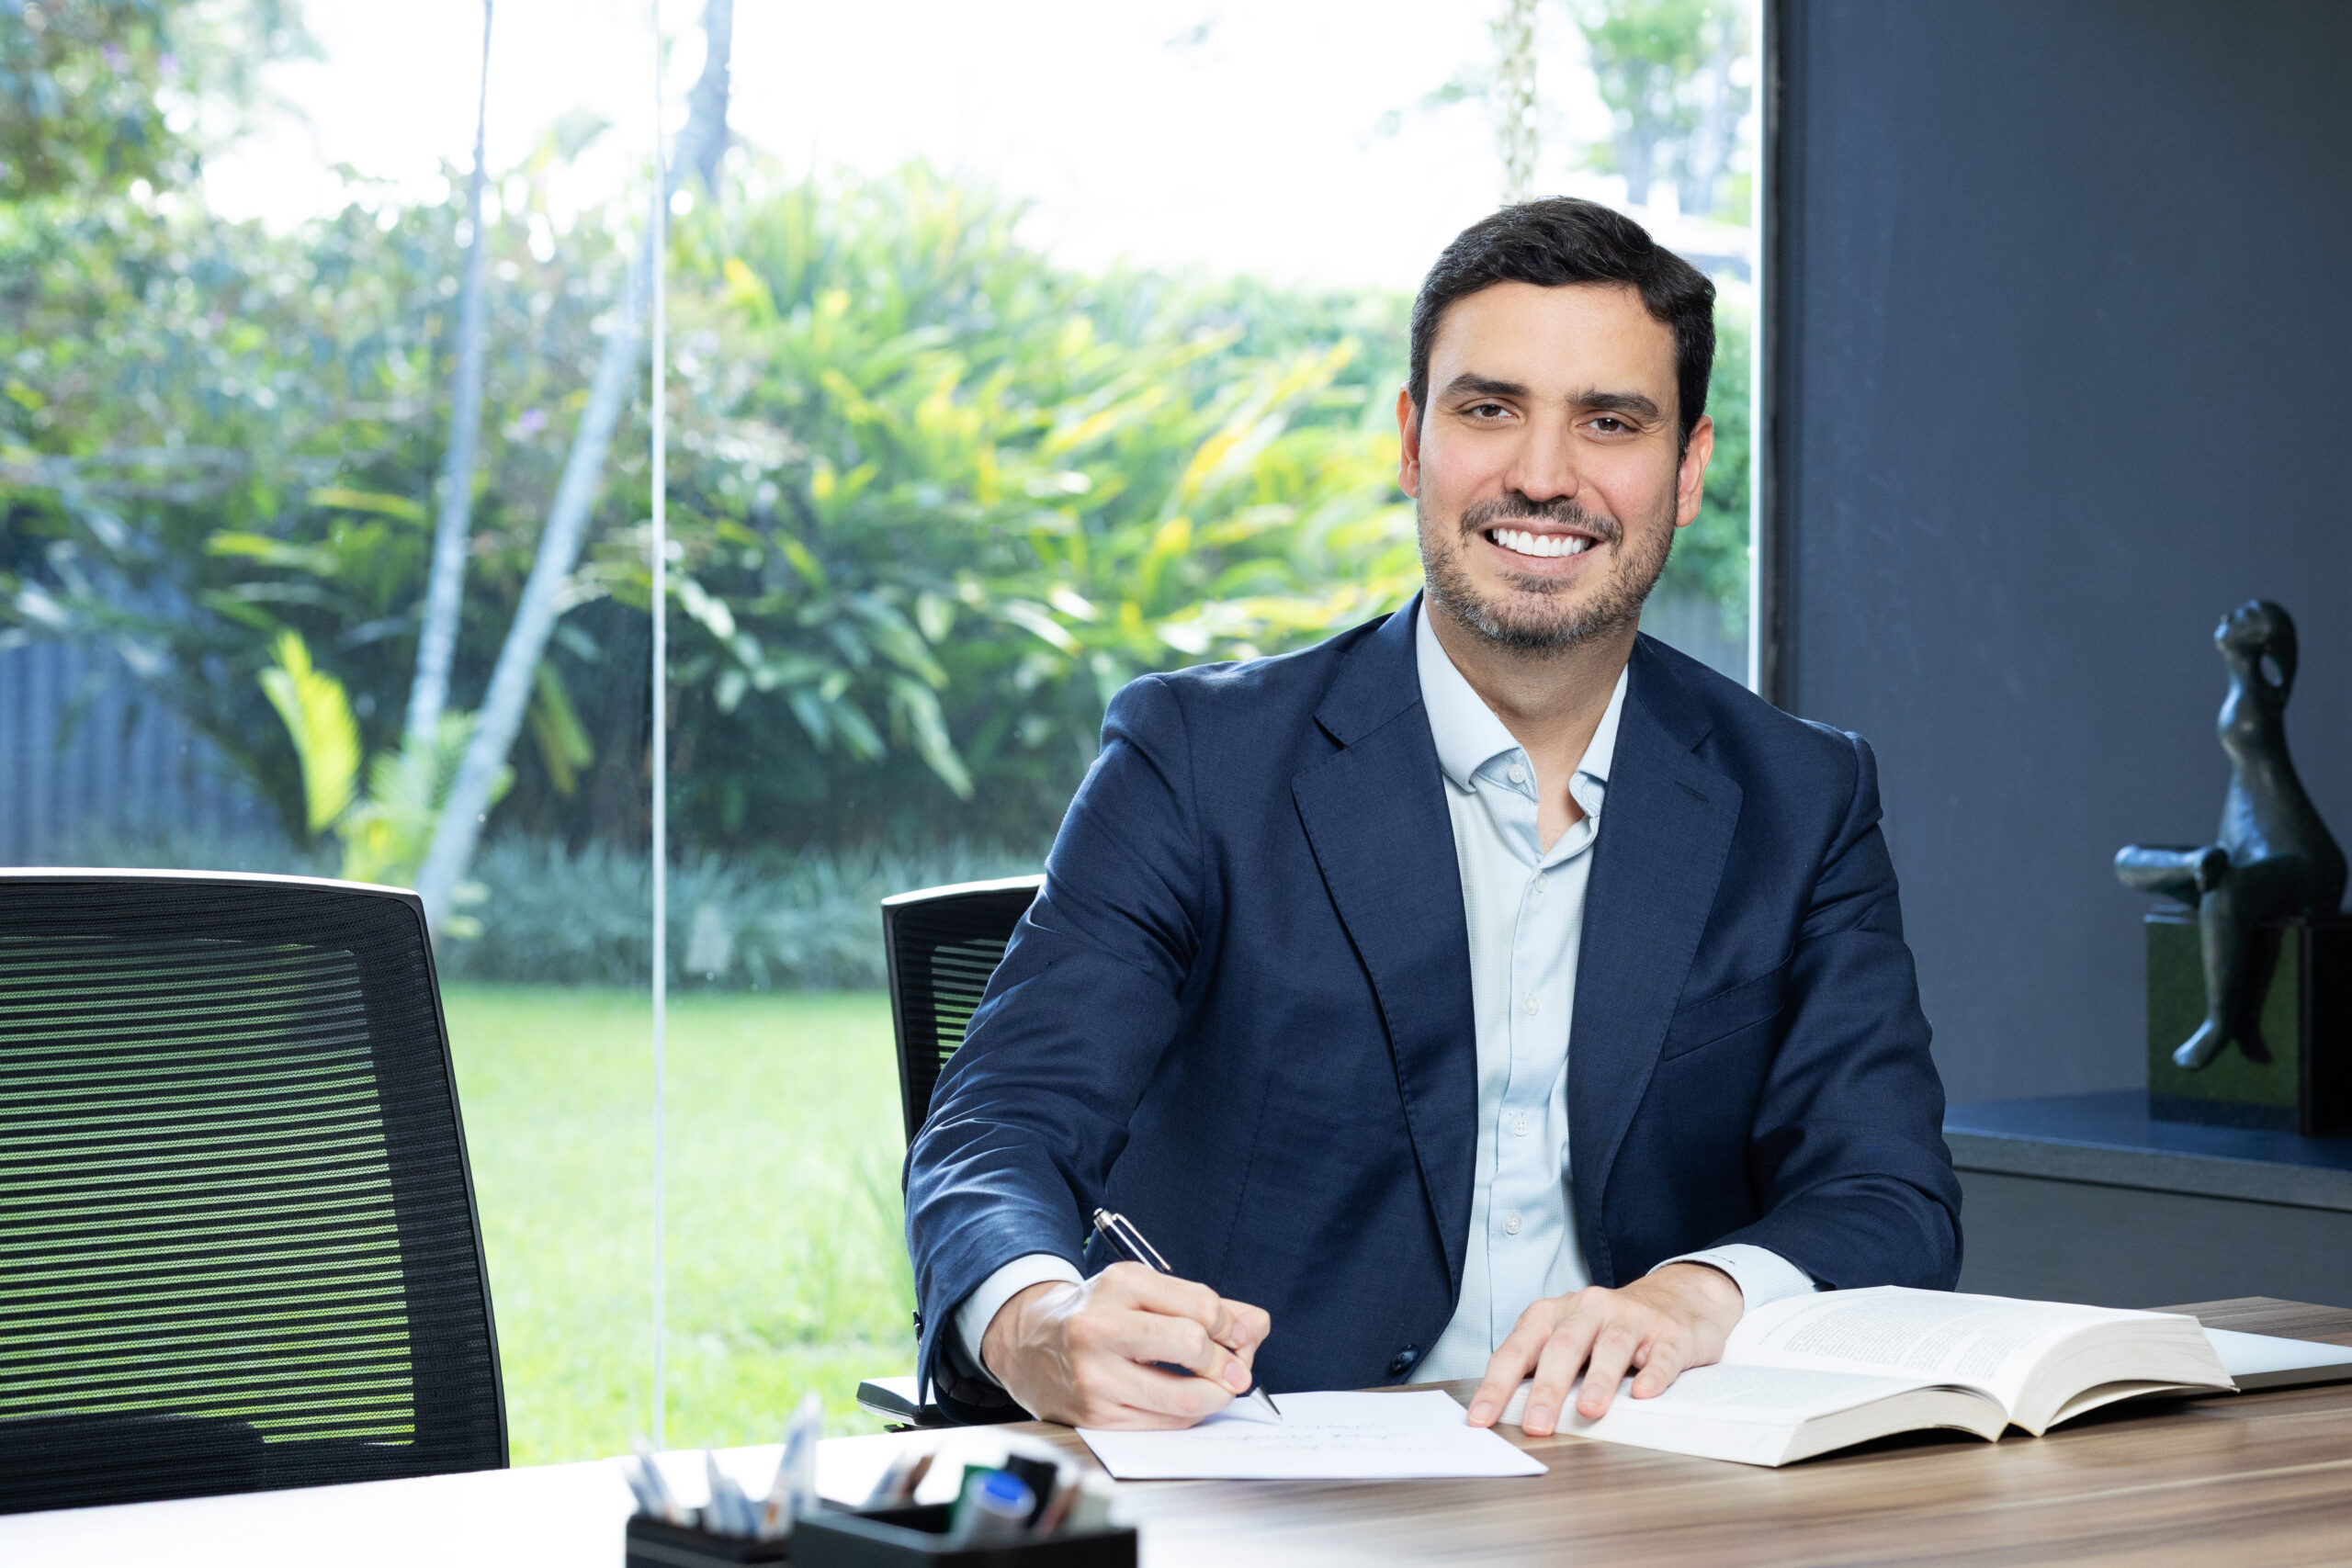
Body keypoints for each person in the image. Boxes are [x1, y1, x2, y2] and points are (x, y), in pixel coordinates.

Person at [903, 197, 1960, 1437]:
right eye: (1489, 409)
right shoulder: (1194, 761)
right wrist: (1038, 1321)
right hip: (1266, 1469)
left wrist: (1695, 1295)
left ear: (1687, 470)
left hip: (1635, 1475)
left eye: (1609, 422)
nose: (1543, 476)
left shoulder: (1802, 798)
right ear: (1412, 441)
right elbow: (996, 1128)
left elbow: (1889, 1194)